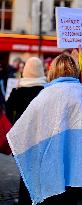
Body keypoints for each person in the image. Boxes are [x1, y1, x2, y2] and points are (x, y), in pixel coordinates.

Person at [6, 54, 82, 205]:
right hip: (75, 170)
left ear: (53, 70)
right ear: (74, 70)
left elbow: (23, 129)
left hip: (49, 168)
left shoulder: (46, 95)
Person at [6, 56, 47, 204]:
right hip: (43, 137)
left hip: (23, 138)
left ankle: (25, 200)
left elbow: (8, 113)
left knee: (26, 173)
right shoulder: (46, 90)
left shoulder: (18, 91)